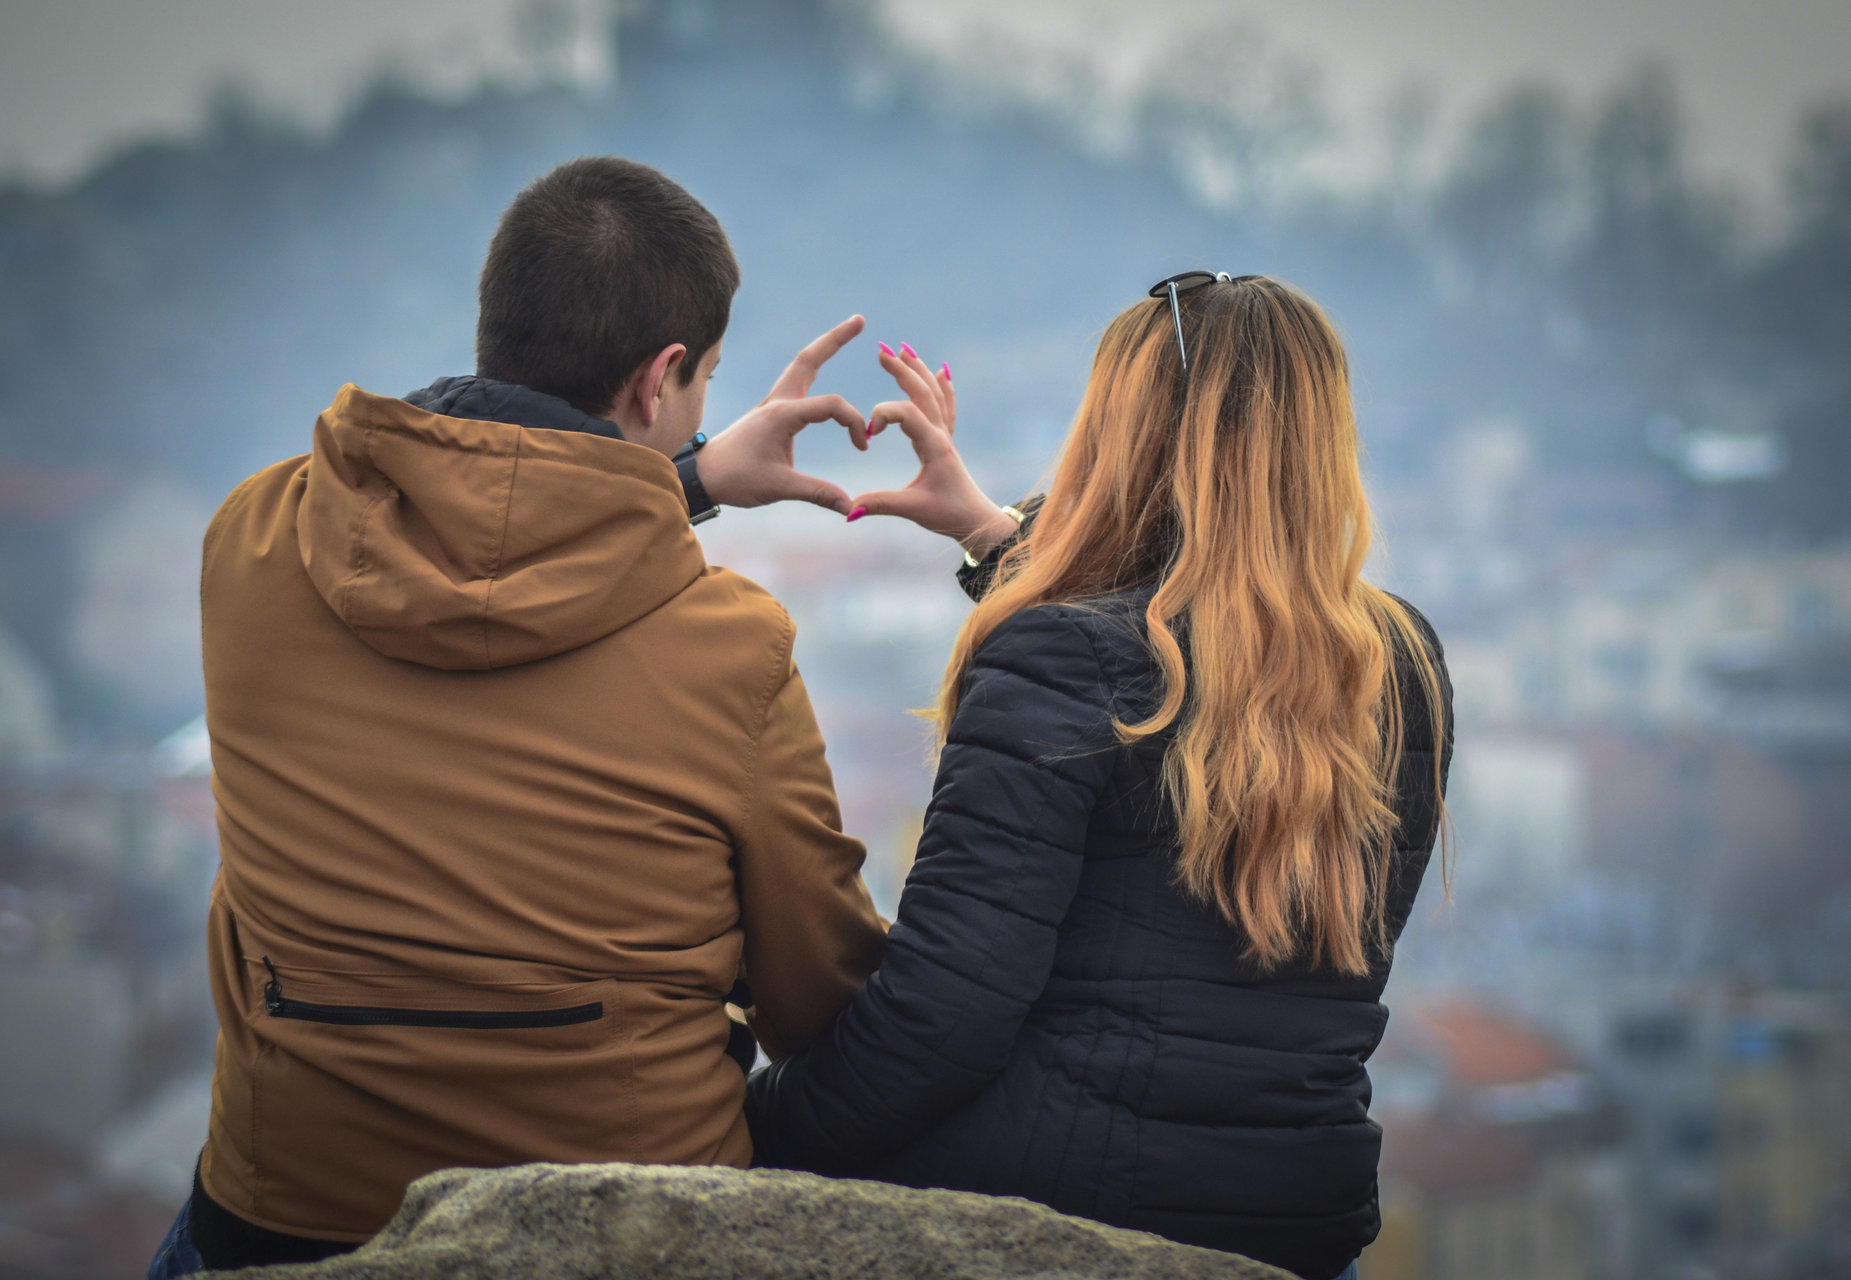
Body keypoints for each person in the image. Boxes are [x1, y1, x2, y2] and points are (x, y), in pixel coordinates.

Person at [147, 156, 889, 1277]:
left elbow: (486, 547)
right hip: (619, 1230)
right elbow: (818, 998)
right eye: (702, 382)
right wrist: (677, 482)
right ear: (661, 379)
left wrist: (685, 479)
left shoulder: (255, 538)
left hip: (283, 1218)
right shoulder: (731, 647)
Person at [747, 272, 1455, 1280]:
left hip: (1066, 1219)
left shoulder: (1059, 658)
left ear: (1122, 438)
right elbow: (1195, 658)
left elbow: (940, 1021)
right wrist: (996, 538)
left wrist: (755, 1128)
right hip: (1299, 1222)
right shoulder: (1396, 666)